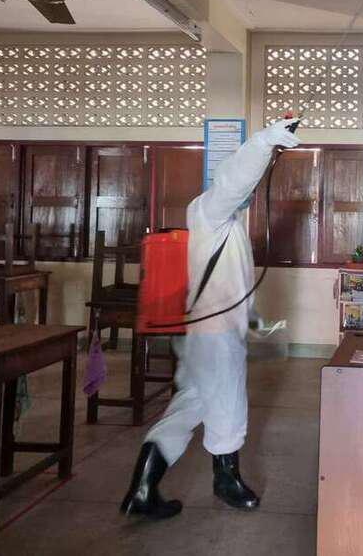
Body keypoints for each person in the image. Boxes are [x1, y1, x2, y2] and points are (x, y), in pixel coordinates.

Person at [120, 118, 301, 520]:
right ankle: (226, 480)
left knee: (190, 405)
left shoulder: (226, 227)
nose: (247, 195)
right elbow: (235, 180)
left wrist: (253, 320)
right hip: (214, 334)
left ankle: (142, 488)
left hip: (208, 331)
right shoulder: (209, 211)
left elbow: (230, 283)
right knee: (227, 404)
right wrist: (266, 141)